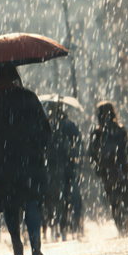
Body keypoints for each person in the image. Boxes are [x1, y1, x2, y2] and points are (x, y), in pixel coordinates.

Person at [0, 65, 51, 255]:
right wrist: (37, 149)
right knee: (31, 202)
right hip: (29, 160)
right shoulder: (28, 97)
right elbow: (45, 130)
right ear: (15, 75)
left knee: (10, 204)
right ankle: (35, 247)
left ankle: (16, 240)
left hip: (3, 163)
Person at [89, 101, 128, 235]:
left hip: (107, 171)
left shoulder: (97, 133)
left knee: (113, 200)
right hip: (121, 168)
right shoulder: (120, 130)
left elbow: (91, 153)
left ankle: (121, 226)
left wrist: (97, 166)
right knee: (127, 195)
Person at [44, 102, 84, 239]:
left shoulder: (59, 125)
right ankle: (70, 222)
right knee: (69, 195)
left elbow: (78, 141)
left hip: (59, 166)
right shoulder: (62, 125)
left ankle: (66, 222)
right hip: (59, 166)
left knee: (65, 196)